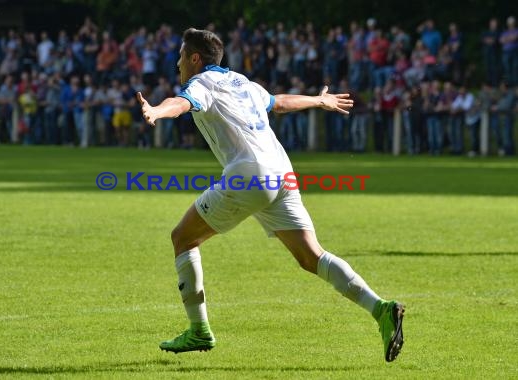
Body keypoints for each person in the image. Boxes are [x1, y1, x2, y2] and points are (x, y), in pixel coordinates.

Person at [136, 28, 405, 362]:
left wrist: (156, 112)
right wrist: (319, 100)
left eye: (180, 56)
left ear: (194, 58)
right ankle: (381, 309)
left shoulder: (201, 84)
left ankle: (198, 330)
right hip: (282, 173)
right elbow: (278, 103)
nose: (177, 64)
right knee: (312, 257)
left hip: (249, 177)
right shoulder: (242, 82)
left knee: (183, 239)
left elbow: (180, 103)